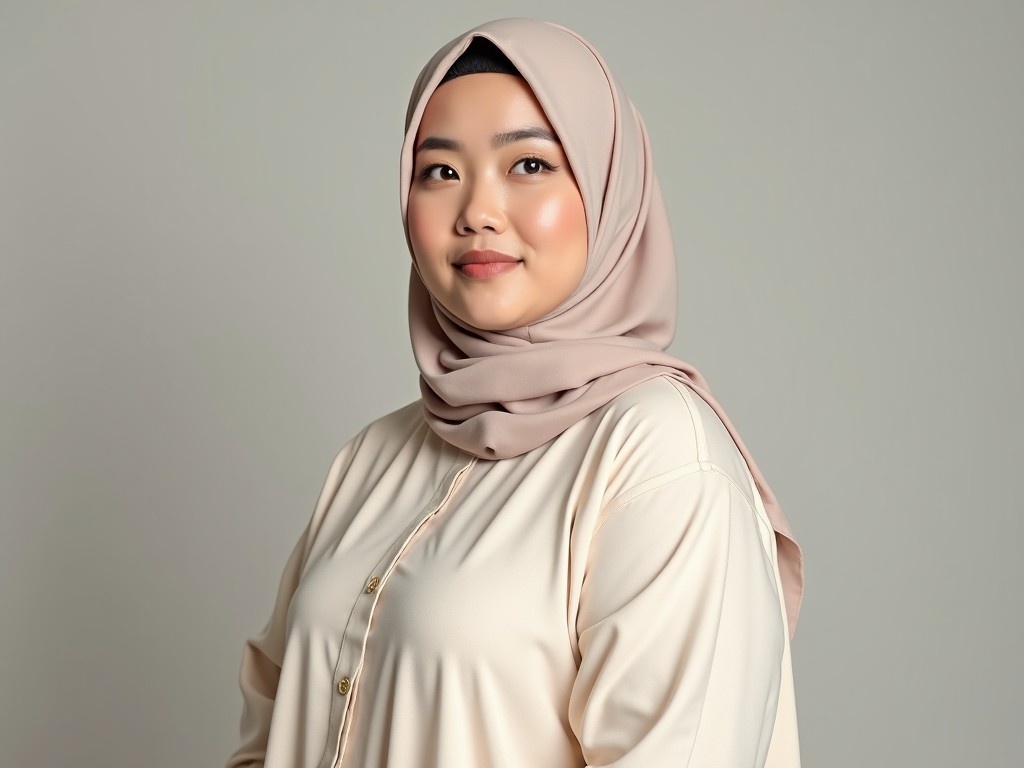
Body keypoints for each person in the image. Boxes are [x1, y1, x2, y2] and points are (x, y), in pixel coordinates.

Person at [226, 17, 805, 768]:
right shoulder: (371, 458)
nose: (477, 212)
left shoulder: (658, 455)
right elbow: (268, 731)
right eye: (439, 172)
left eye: (528, 165)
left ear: (606, 189)